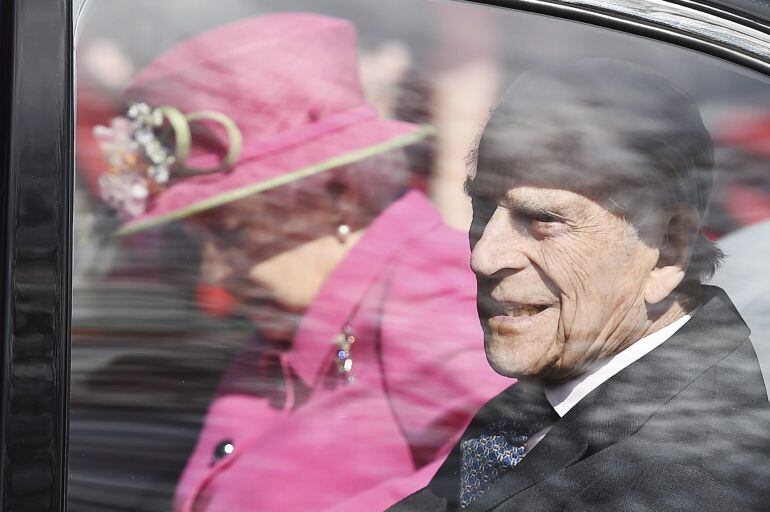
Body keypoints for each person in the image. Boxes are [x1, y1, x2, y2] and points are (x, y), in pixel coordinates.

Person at [89, 13, 510, 512]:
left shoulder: (427, 288)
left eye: (232, 232)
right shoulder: (294, 317)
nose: (215, 274)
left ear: (339, 196)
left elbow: (510, 464)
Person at [389, 60, 770, 511]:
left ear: (668, 249)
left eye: (543, 220)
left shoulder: (677, 482)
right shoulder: (556, 397)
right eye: (483, 206)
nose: (484, 256)